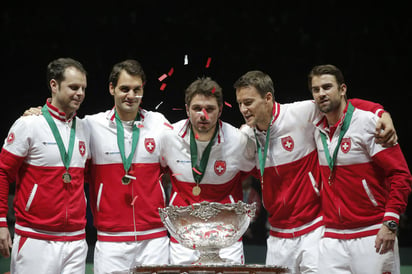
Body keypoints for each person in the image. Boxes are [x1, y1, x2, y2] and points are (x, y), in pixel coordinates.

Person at [234, 70, 397, 273]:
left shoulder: (300, 113)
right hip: (277, 236)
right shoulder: (246, 137)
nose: (243, 109)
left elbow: (343, 105)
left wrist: (381, 113)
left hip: (314, 230)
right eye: (240, 103)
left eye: (248, 102)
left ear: (267, 98)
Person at [22, 59, 171, 273]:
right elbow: (60, 124)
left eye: (137, 89)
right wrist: (39, 114)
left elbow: (186, 142)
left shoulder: (159, 124)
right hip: (111, 240)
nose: (131, 95)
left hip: (155, 238)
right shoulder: (91, 126)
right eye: (124, 89)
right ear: (112, 88)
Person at [308, 64, 412, 274]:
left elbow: (401, 174)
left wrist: (390, 222)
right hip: (331, 238)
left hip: (373, 234)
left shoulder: (369, 123)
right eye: (316, 89)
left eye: (327, 87)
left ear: (343, 89)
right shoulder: (315, 127)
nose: (321, 93)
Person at [0, 57, 90, 273]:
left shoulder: (86, 128)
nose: (80, 93)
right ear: (54, 85)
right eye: (73, 87)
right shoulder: (29, 124)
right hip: (35, 238)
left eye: (83, 88)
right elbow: (3, 173)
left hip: (76, 240)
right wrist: (1, 222)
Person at [159, 76, 256, 264]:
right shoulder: (169, 137)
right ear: (187, 109)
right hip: (183, 234)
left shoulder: (238, 141)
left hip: (227, 235)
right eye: (196, 108)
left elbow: (260, 175)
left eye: (210, 109)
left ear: (220, 110)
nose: (203, 115)